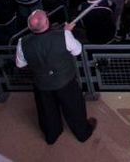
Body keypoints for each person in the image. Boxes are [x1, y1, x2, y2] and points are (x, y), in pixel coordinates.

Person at [15, 9, 97, 145]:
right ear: (47, 21)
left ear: (29, 27)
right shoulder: (63, 35)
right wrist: (67, 32)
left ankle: (51, 135)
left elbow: (20, 64)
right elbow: (77, 50)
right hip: (66, 82)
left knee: (47, 112)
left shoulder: (22, 42)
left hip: (41, 84)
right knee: (74, 109)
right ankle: (82, 133)